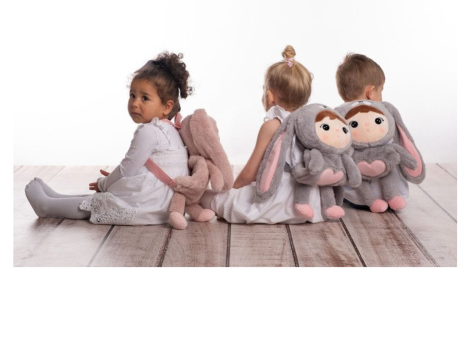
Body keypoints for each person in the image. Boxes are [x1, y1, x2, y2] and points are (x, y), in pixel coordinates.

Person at [25, 52, 194, 225]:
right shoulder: (171, 130)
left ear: (166, 107)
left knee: (101, 203)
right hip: (165, 204)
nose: (135, 103)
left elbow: (127, 169)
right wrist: (112, 181)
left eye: (145, 98)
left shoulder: (149, 131)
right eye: (132, 95)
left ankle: (46, 207)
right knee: (104, 199)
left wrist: (104, 183)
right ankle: (57, 199)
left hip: (149, 205)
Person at [201, 45, 323, 224]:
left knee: (209, 197)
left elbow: (250, 172)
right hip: (309, 201)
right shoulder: (311, 124)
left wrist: (232, 191)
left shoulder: (273, 125)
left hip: (277, 199)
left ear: (270, 96)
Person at [335, 53, 409, 208]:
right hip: (389, 189)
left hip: (355, 195)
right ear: (371, 92)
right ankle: (393, 197)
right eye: (381, 90)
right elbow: (400, 142)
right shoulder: (384, 114)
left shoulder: (338, 116)